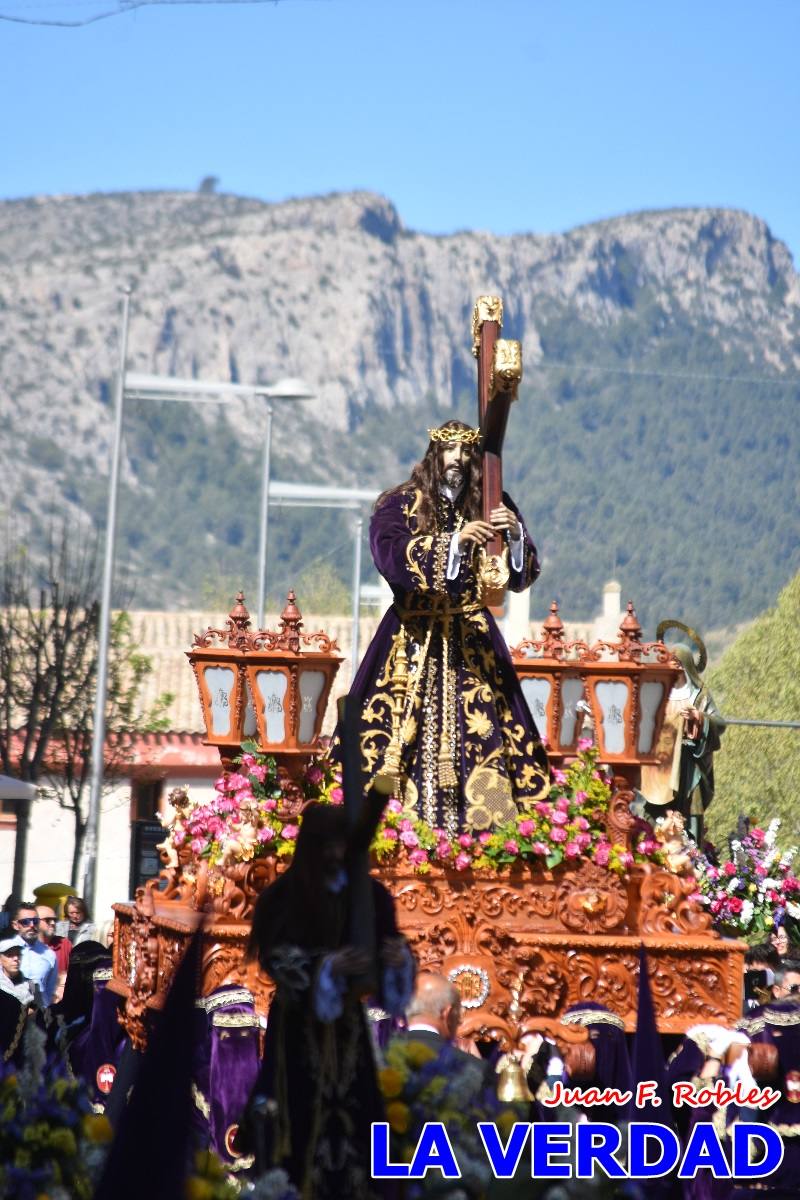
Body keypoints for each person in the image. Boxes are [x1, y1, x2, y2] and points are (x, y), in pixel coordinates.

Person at [336, 419, 549, 837]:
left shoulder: (491, 502)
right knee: (391, 743)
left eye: (467, 452)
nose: (458, 460)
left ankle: (493, 840)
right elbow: (389, 555)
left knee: (495, 735)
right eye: (450, 451)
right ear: (434, 455)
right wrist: (454, 544)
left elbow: (521, 579)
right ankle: (393, 835)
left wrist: (516, 537)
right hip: (410, 641)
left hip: (473, 642)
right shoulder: (399, 504)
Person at [241, 803, 413, 1199]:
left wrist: (397, 960)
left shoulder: (368, 895)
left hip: (351, 1029)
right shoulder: (283, 897)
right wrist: (327, 967)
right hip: (298, 1031)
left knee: (358, 1114)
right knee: (301, 1114)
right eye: (328, 846)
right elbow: (277, 958)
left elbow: (388, 949)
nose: (336, 855)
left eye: (342, 846)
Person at [640, 633, 725, 842]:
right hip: (663, 761)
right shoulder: (660, 691)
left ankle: (693, 849)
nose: (673, 668)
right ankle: (654, 844)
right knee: (658, 805)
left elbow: (720, 723)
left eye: (677, 663)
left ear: (686, 665)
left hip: (689, 761)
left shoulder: (698, 694)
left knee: (691, 806)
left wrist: (699, 717)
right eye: (670, 662)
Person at [12, 901, 57, 1006]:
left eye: (35, 921)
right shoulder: (3, 950)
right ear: (15, 925)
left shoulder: (49, 954)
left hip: (37, 1016)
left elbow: (49, 992)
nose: (31, 925)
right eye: (25, 922)